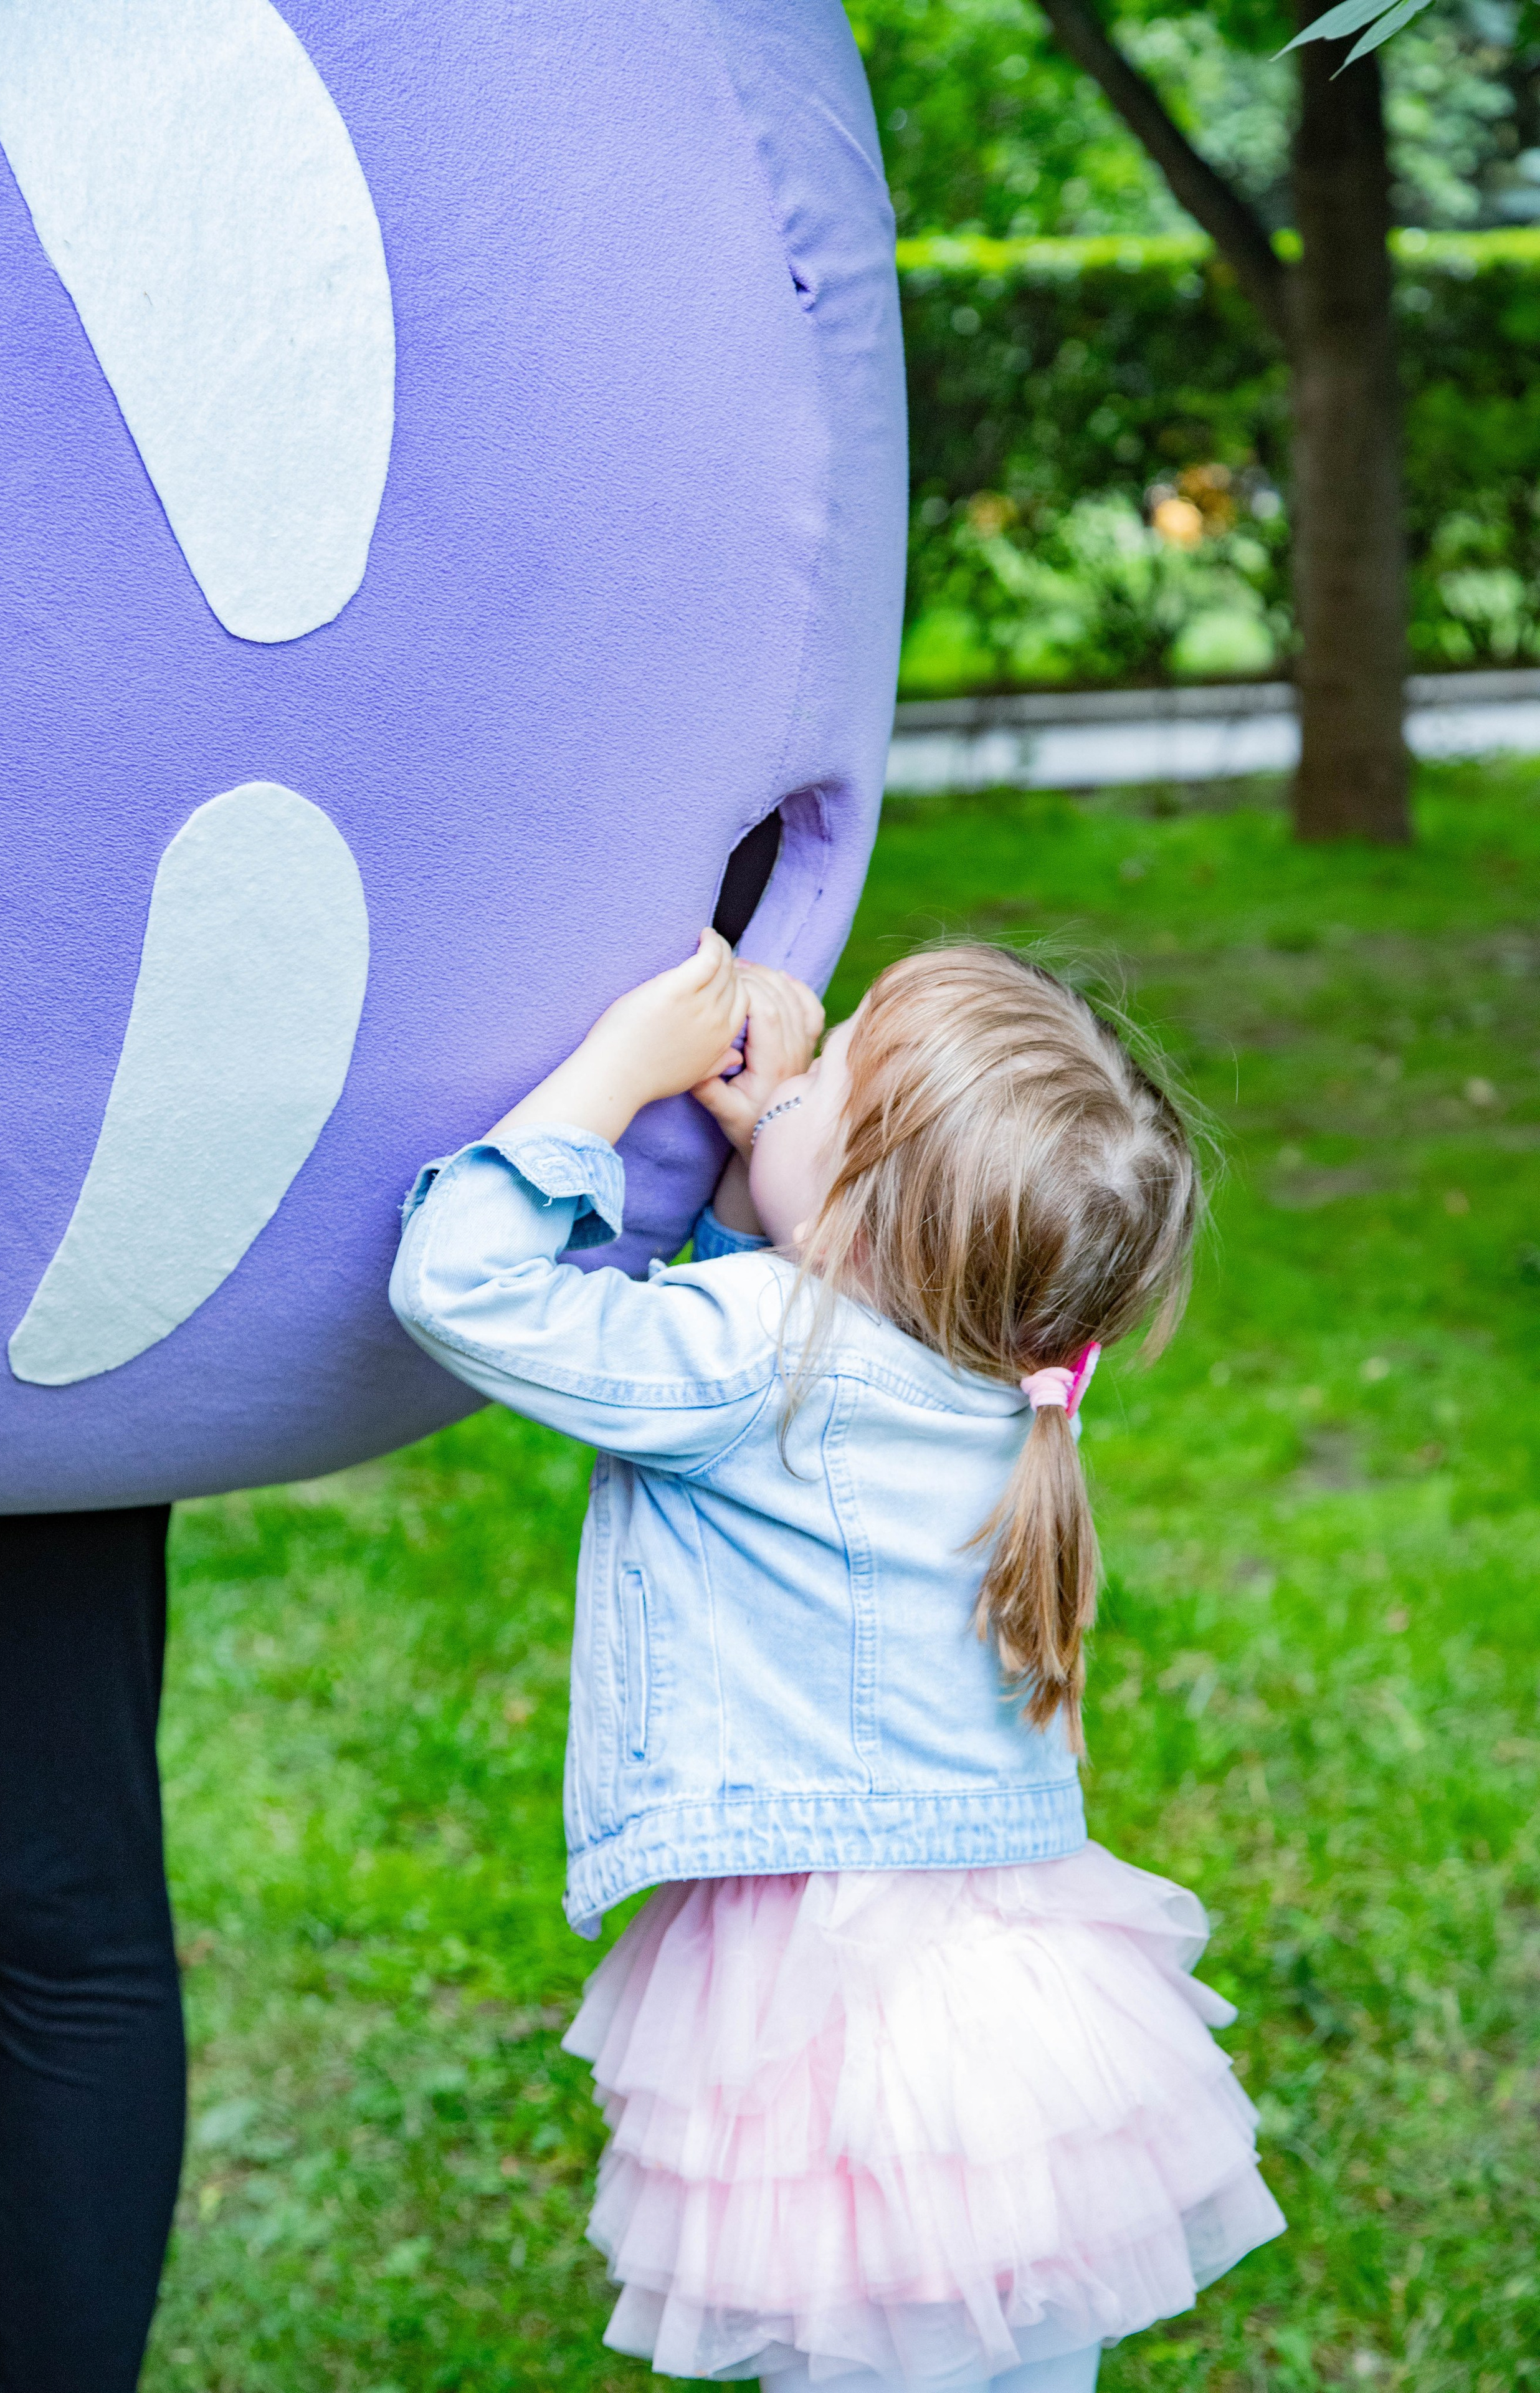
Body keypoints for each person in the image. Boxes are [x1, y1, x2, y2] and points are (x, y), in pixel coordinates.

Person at [389, 931, 1285, 2391]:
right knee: (1003, 2355)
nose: (786, 1078)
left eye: (828, 1075)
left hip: (837, 2005)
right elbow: (808, 1329)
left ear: (862, 1227)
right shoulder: (994, 1370)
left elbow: (463, 1292)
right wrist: (781, 1162)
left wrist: (617, 1074)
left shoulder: (758, 1354)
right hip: (1007, 2000)